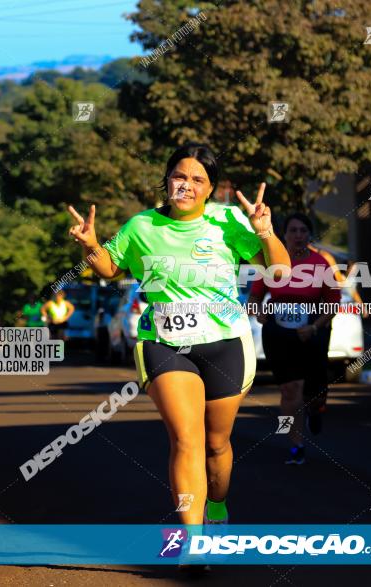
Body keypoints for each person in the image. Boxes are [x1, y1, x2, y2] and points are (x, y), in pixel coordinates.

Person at [66, 143, 290, 539]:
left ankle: (217, 505)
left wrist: (265, 231)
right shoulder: (142, 226)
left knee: (216, 446)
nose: (186, 184)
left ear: (210, 189)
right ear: (167, 180)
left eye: (197, 179)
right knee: (187, 439)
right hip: (164, 342)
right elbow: (111, 266)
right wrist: (90, 246)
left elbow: (281, 272)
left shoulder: (228, 222)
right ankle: (192, 539)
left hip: (225, 343)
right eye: (179, 176)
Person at [248, 213, 340, 464]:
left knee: (315, 389)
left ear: (309, 235)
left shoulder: (320, 264)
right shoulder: (270, 263)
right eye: (293, 231)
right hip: (279, 329)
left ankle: (316, 408)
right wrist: (259, 313)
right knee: (290, 389)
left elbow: (333, 304)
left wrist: (315, 327)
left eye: (303, 231)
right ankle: (296, 444)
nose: (298, 235)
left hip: (313, 327)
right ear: (284, 235)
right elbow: (255, 298)